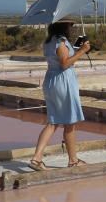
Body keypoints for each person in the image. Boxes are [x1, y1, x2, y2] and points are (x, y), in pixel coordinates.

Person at [28, 19, 91, 170]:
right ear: (63, 26)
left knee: (53, 121)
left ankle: (36, 158)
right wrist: (82, 51)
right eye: (70, 25)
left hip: (51, 80)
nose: (72, 27)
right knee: (70, 122)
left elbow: (63, 58)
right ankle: (73, 160)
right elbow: (64, 63)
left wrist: (77, 48)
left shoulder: (50, 41)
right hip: (63, 83)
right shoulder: (61, 42)